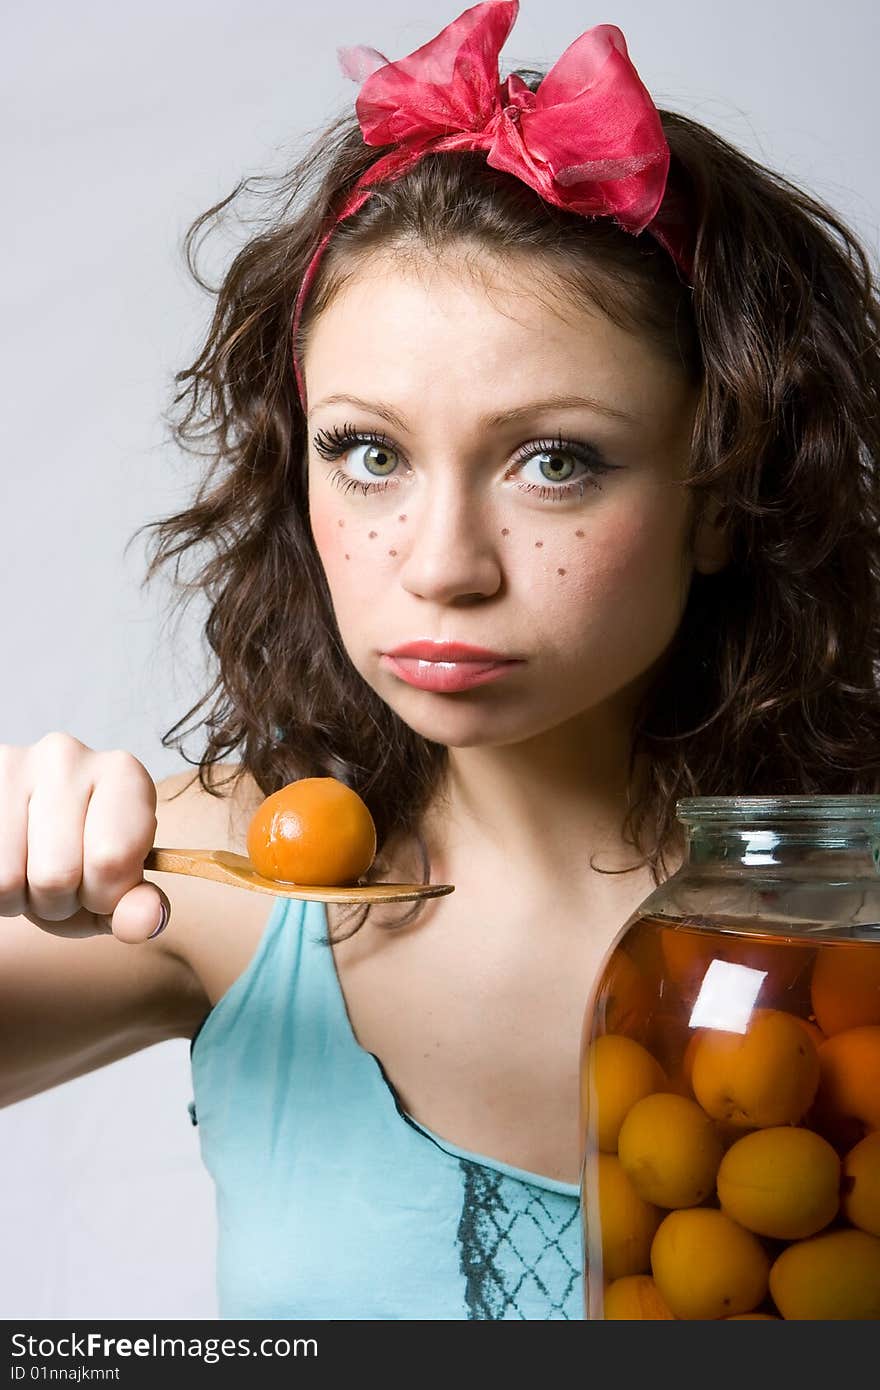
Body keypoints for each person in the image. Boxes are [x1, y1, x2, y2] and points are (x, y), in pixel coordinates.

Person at [2, 0, 879, 1321]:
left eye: (555, 461)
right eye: (369, 453)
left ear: (720, 494)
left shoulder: (851, 920)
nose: (440, 564)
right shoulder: (221, 876)